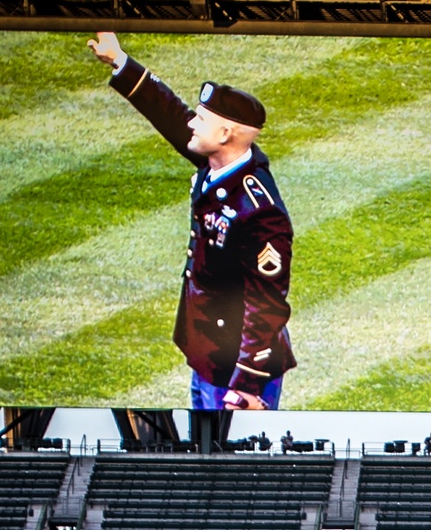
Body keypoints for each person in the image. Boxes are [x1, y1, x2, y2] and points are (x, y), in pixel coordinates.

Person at [88, 31, 295, 410]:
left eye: (202, 119)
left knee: (233, 465)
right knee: (204, 457)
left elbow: (267, 303)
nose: (192, 124)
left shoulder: (259, 211)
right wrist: (121, 61)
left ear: (226, 133)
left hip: (236, 371)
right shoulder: (217, 162)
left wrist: (247, 385)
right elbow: (171, 115)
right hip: (208, 355)